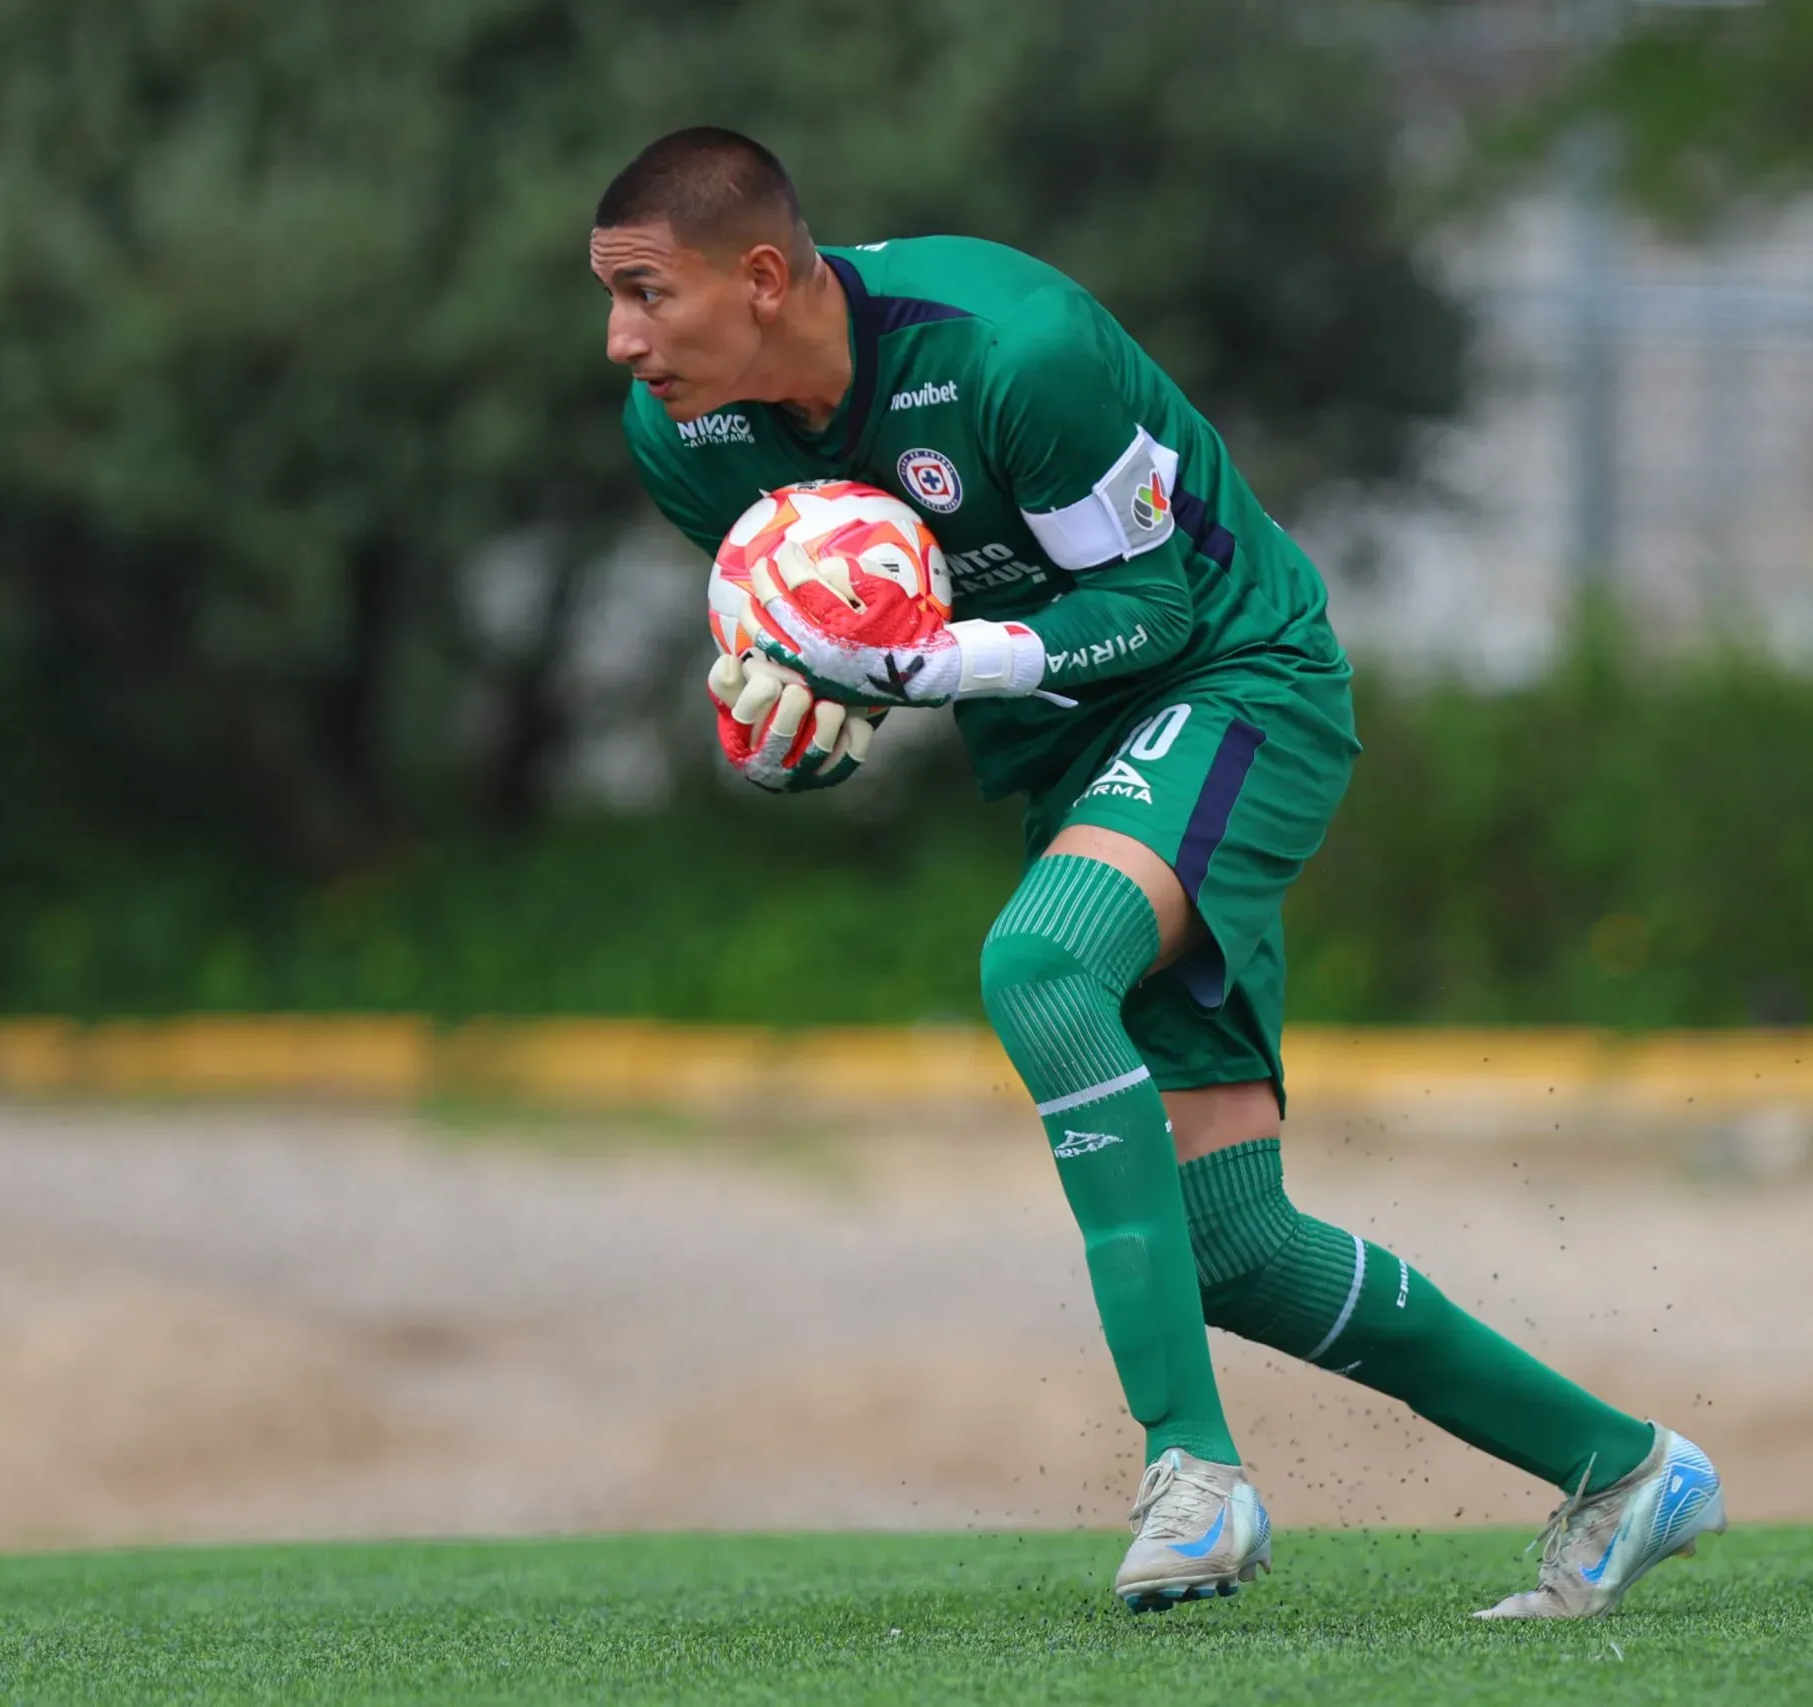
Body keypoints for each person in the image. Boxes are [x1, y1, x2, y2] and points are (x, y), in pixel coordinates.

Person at [593, 126, 1722, 1616]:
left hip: (1240, 678)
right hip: (1074, 750)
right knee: (1236, 1246)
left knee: (1040, 965)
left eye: (644, 295)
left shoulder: (1012, 349)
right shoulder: (688, 438)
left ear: (757, 276)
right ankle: (1629, 1471)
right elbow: (813, 659)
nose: (619, 340)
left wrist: (939, 661)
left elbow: (1154, 601)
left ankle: (1193, 1470)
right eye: (607, 299)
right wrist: (791, 727)